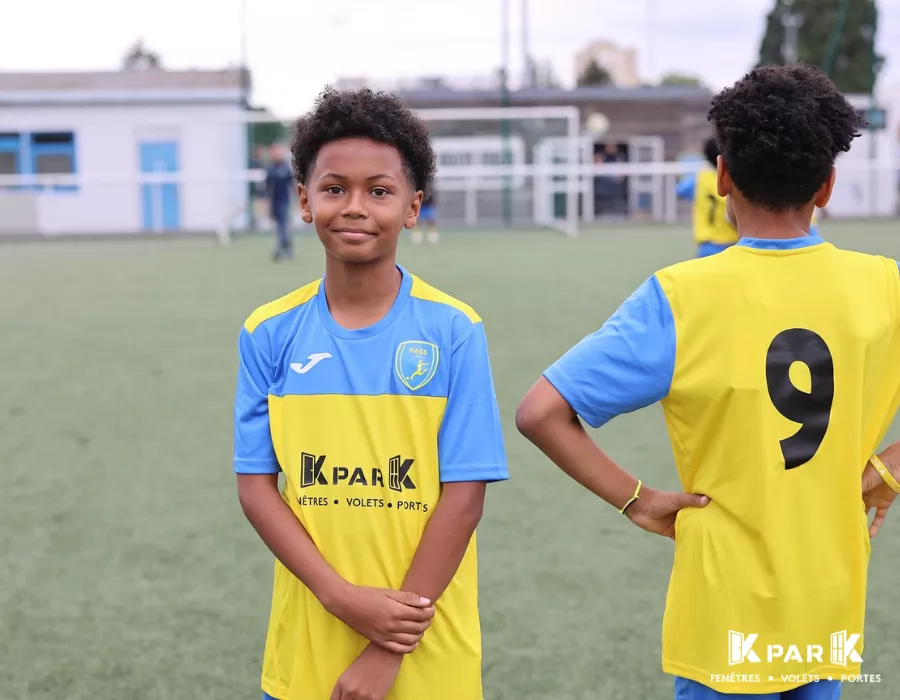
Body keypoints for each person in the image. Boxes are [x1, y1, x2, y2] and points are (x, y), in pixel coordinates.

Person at [516, 63, 900, 699]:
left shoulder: (679, 298)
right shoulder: (885, 285)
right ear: (828, 185)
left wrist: (636, 499)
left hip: (725, 607)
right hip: (829, 596)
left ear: (722, 174)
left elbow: (540, 412)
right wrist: (886, 471)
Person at [233, 86, 508, 700]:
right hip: (309, 649)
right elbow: (256, 487)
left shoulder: (454, 330)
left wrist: (385, 648)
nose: (355, 206)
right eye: (335, 189)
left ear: (413, 207)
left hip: (424, 651)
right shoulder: (268, 331)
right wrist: (340, 597)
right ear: (304, 201)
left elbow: (464, 499)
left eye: (379, 191)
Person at [676, 137, 739, 257]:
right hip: (735, 243)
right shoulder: (737, 180)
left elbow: (680, 190)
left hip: (708, 245)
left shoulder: (700, 179)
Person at [266, 144, 295, 261]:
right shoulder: (270, 169)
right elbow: (267, 186)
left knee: (282, 225)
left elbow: (292, 184)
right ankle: (286, 246)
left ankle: (281, 248)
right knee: (279, 226)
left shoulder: (285, 168)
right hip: (274, 202)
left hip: (284, 201)